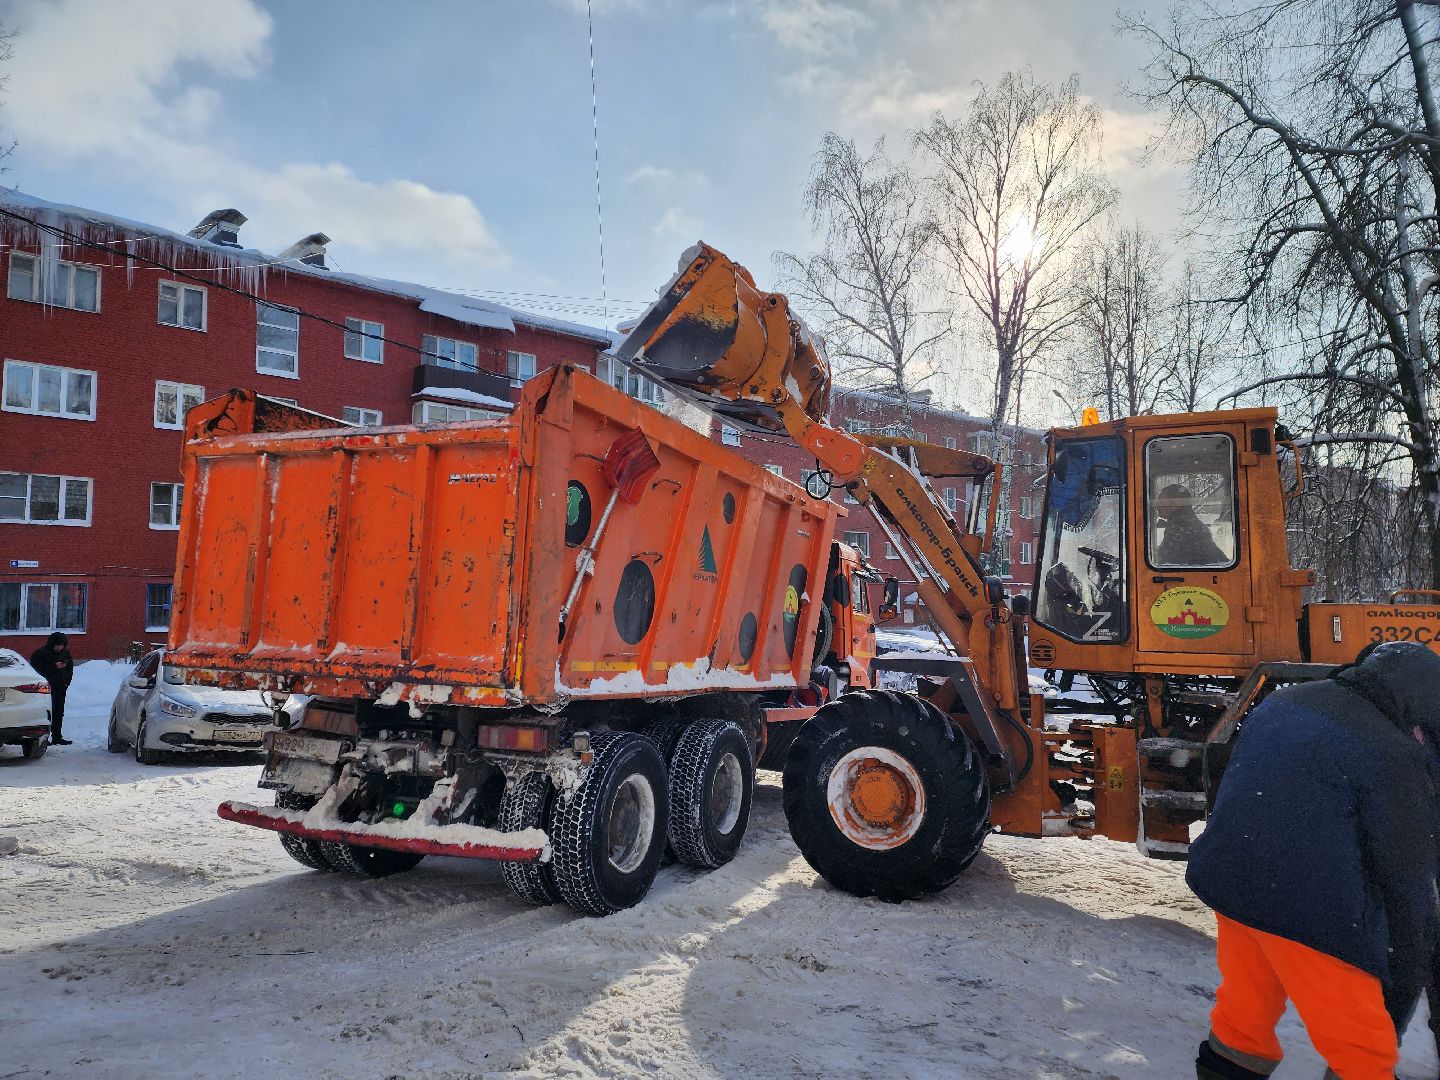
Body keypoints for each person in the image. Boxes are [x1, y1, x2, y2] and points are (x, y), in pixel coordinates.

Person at [1187, 640, 1440, 1080]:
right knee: (1362, 1048)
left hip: (1234, 886)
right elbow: (1408, 887)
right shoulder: (1391, 751)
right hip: (1311, 912)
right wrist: (1401, 985)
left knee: (1244, 1016)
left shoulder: (1284, 701)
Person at [1154, 483, 1228, 567]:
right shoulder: (1186, 520)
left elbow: (1164, 560)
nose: (1157, 506)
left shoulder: (1180, 526)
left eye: (1161, 501)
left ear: (1175, 503)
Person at [29, 632, 74, 746]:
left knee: (58, 713)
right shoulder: (40, 654)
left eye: (62, 645)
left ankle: (57, 737)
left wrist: (66, 683)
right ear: (51, 644)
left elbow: (69, 669)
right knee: (45, 713)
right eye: (57, 645)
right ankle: (42, 738)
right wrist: (54, 666)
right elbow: (36, 671)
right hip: (44, 690)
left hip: (60, 688)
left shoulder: (65, 654)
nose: (59, 647)